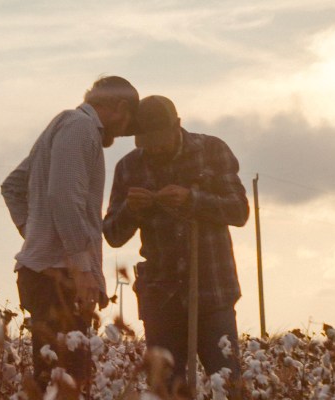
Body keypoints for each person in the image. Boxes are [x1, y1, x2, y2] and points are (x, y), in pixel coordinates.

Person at [1, 76, 139, 391]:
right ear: (119, 107)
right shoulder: (80, 128)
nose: (120, 134)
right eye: (126, 123)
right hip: (60, 278)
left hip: (46, 273)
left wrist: (35, 234)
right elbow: (63, 197)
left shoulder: (64, 127)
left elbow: (12, 186)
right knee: (68, 388)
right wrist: (82, 267)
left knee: (56, 382)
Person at [103, 95, 248, 385]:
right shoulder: (128, 168)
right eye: (146, 142)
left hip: (213, 292)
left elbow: (239, 211)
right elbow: (113, 235)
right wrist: (130, 210)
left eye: (160, 140)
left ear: (177, 126)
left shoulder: (212, 150)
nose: (154, 148)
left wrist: (192, 199)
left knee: (229, 388)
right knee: (167, 396)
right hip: (161, 297)